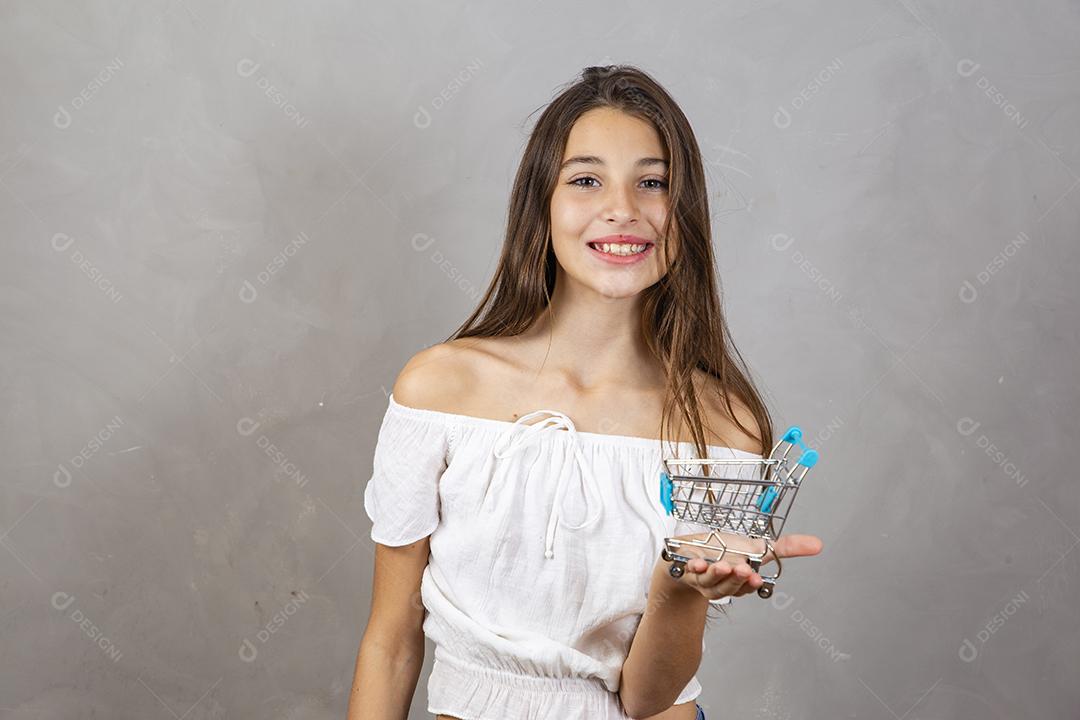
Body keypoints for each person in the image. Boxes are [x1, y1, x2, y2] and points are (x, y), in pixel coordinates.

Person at [347, 64, 823, 720]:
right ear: (541, 203)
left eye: (651, 182)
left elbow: (649, 698)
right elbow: (391, 643)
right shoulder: (440, 388)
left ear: (681, 215)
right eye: (587, 179)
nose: (622, 209)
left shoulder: (723, 428)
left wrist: (678, 586)